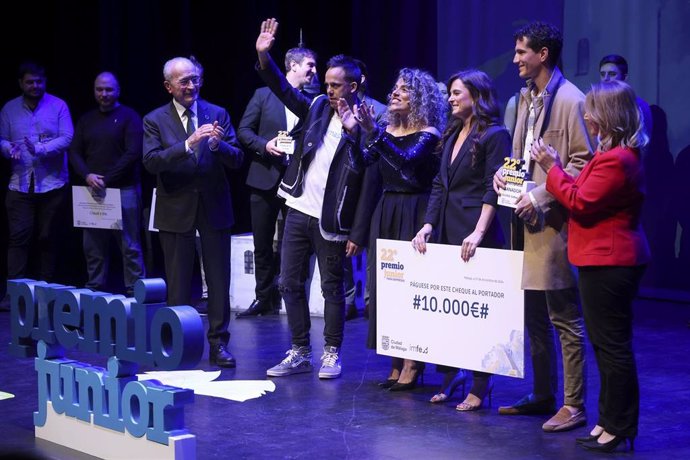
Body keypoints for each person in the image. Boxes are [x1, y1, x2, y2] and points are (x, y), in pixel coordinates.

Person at [531, 79, 650, 453]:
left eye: (592, 109)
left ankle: (620, 425)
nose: (586, 115)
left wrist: (551, 167)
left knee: (613, 347)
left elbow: (580, 201)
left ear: (610, 115)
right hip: (600, 259)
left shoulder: (618, 160)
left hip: (611, 262)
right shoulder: (609, 155)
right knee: (604, 344)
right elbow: (580, 190)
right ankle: (608, 420)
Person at [256, 18, 372, 379]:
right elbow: (282, 89)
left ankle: (332, 353)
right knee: (289, 283)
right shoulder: (319, 105)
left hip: (332, 220)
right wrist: (264, 56)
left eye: (337, 85)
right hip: (298, 208)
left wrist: (358, 232)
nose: (330, 89)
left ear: (353, 86)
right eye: (327, 83)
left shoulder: (370, 119)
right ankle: (300, 350)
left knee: (331, 288)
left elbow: (371, 174)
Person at [493, 22, 594, 432]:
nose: (515, 59)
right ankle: (542, 393)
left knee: (564, 318)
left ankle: (574, 404)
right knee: (532, 315)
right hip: (523, 225)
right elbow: (521, 155)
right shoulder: (526, 99)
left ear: (543, 54)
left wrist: (538, 196)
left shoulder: (571, 100)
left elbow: (583, 163)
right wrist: (504, 175)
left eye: (522, 52)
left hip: (554, 226)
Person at [412, 70, 511, 410]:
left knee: (479, 315)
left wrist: (480, 231)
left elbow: (493, 187)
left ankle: (481, 385)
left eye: (457, 93)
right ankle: (452, 375)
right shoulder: (454, 132)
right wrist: (427, 224)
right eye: (450, 93)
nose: (451, 98)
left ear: (477, 96)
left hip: (475, 231)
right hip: (447, 229)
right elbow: (440, 185)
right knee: (451, 312)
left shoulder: (496, 135)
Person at [142, 56, 243, 368]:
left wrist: (215, 146)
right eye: (184, 81)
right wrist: (187, 144)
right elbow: (151, 162)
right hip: (175, 208)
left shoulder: (218, 113)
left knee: (218, 280)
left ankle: (219, 345)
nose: (191, 86)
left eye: (195, 79)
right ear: (168, 86)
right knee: (178, 283)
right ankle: (176, 345)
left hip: (214, 206)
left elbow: (237, 159)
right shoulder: (154, 119)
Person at [348, 68, 446, 390]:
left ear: (418, 97)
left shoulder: (428, 132)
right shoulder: (387, 129)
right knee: (386, 289)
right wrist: (356, 133)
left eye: (404, 89)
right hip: (386, 210)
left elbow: (405, 161)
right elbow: (364, 163)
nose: (395, 93)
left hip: (413, 210)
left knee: (410, 289)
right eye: (395, 88)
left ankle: (412, 363)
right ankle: (394, 358)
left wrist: (373, 131)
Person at [235, 46, 317, 318]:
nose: (314, 71)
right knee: (262, 244)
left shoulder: (314, 101)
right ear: (292, 66)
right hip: (264, 179)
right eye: (310, 65)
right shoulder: (263, 95)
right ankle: (263, 298)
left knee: (293, 244)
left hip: (296, 183)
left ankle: (291, 297)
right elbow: (243, 131)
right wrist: (264, 145)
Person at [68, 72, 145, 297]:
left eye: (109, 89)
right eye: (99, 89)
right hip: (91, 190)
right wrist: (87, 176)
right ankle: (94, 287)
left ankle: (134, 288)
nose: (104, 94)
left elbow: (133, 153)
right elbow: (74, 151)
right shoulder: (86, 119)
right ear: (94, 91)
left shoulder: (129, 117)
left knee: (129, 244)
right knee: (92, 245)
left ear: (118, 91)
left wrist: (106, 179)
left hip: (124, 189)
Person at [0, 60, 73, 285]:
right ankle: (16, 292)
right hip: (20, 183)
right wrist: (7, 148)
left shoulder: (58, 105)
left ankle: (45, 291)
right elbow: (2, 139)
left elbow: (67, 137)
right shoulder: (9, 108)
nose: (35, 86)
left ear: (45, 82)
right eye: (30, 82)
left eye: (39, 81)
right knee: (18, 238)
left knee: (48, 237)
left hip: (52, 183)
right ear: (21, 83)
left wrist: (40, 149)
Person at [598, 54, 652, 145]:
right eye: (602, 74)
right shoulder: (597, 105)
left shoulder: (639, 106)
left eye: (612, 74)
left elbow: (643, 144)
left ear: (624, 77)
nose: (606, 79)